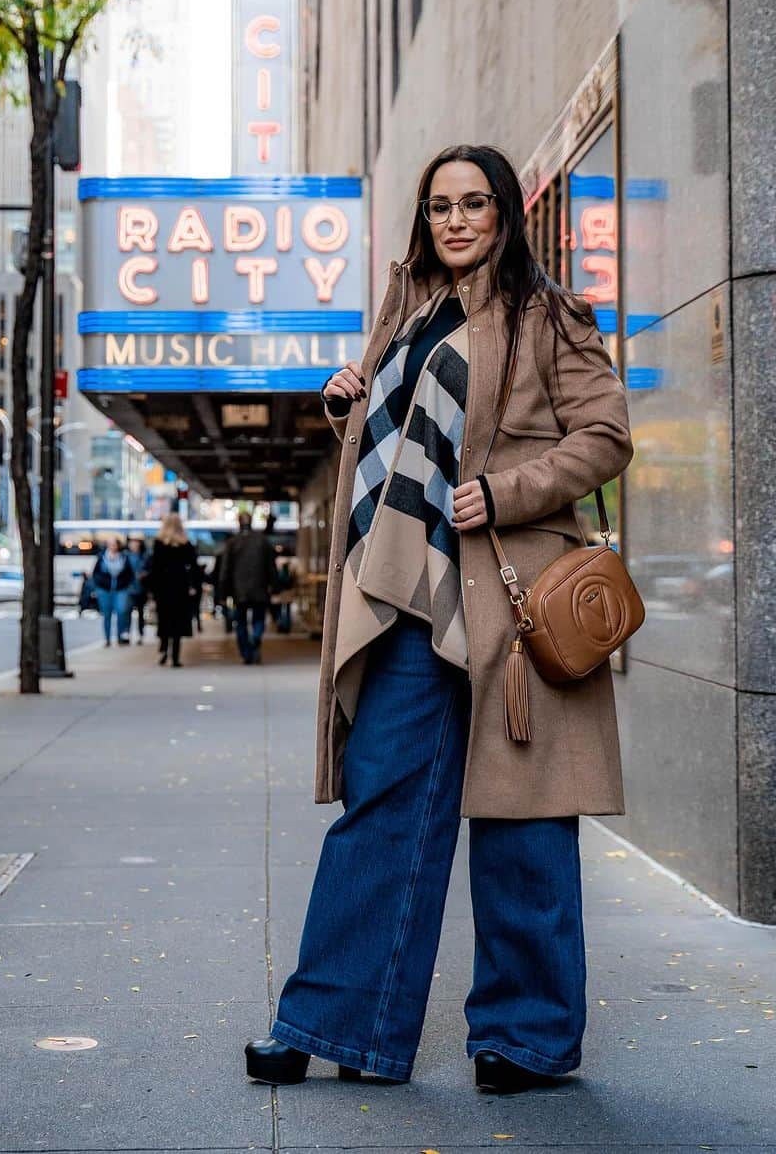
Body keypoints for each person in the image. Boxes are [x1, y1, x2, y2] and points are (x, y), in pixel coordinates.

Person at [245, 144, 634, 1093]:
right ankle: (342, 1023)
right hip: (411, 600)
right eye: (438, 207)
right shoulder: (407, 316)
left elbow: (607, 434)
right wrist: (355, 401)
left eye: (473, 203)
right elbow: (405, 457)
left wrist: (506, 492)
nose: (455, 220)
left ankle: (525, 1041)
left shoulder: (549, 316)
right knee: (383, 805)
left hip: (510, 601)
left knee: (524, 824)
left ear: (504, 212)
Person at [219, 509, 277, 664]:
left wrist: (223, 594)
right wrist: (274, 585)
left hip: (239, 591)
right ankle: (255, 638)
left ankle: (246, 653)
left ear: (239, 522)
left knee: (241, 622)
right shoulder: (262, 541)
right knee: (259, 619)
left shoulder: (232, 543)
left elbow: (225, 570)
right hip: (260, 588)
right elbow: (271, 566)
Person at [148, 513, 200, 667]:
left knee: (164, 619)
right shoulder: (186, 544)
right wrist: (194, 586)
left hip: (163, 587)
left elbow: (155, 568)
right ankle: (175, 656)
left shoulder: (159, 543)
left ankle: (164, 648)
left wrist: (153, 588)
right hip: (180, 586)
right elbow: (194, 567)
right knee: (177, 621)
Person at [89, 537, 133, 647]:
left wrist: (125, 584)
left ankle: (120, 637)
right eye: (110, 544)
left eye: (114, 544)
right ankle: (107, 639)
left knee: (121, 611)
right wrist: (99, 585)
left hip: (120, 589)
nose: (112, 546)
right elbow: (95, 573)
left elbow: (129, 574)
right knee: (106, 614)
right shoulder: (102, 557)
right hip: (104, 590)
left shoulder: (124, 558)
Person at [124, 534, 151, 644]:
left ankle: (140, 633)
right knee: (127, 611)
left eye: (136, 542)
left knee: (140, 612)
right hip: (129, 588)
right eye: (132, 542)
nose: (134, 545)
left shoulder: (145, 556)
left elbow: (150, 570)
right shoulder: (125, 556)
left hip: (141, 588)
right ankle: (127, 633)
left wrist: (145, 574)